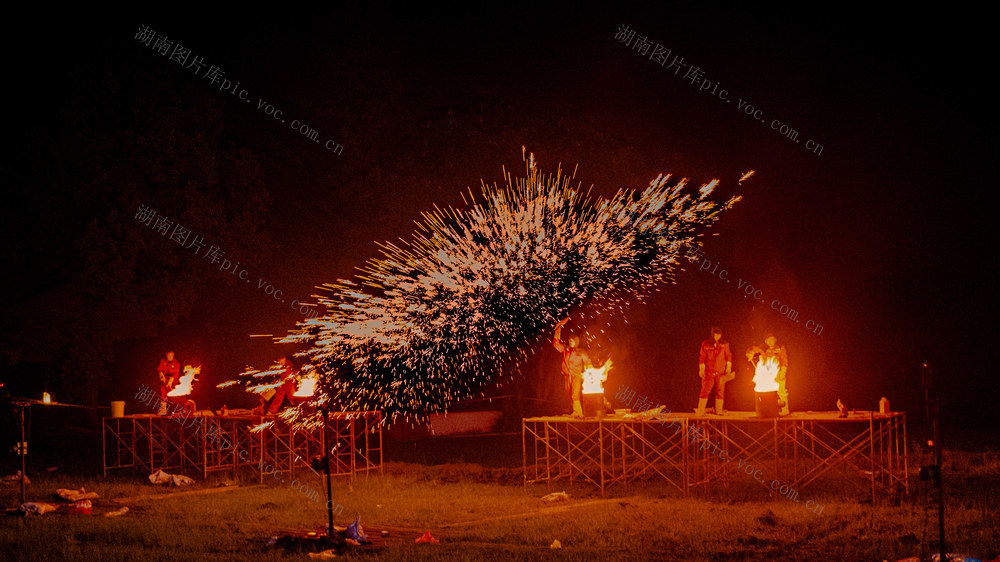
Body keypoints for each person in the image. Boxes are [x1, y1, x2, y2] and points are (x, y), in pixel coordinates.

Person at [553, 318, 593, 417]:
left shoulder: (581, 352)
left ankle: (578, 412)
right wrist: (558, 328)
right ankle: (575, 412)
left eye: (572, 341)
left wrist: (591, 375)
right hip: (567, 375)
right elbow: (556, 344)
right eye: (569, 341)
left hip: (576, 375)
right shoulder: (566, 350)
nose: (570, 342)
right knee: (570, 395)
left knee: (575, 394)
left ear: (576, 341)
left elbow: (588, 363)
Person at [696, 326, 733, 416]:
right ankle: (700, 410)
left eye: (719, 334)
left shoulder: (725, 344)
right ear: (712, 335)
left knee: (720, 391)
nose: (717, 336)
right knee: (705, 390)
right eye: (715, 334)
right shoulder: (705, 344)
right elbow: (702, 357)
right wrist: (701, 369)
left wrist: (728, 367)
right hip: (709, 372)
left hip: (721, 372)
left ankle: (719, 410)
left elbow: (728, 356)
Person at [762, 333, 790, 416]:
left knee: (782, 392)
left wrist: (783, 371)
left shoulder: (780, 348)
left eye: (772, 339)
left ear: (775, 340)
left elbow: (784, 360)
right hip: (769, 374)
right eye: (768, 340)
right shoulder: (764, 349)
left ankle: (785, 410)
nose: (770, 342)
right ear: (766, 342)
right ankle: (772, 410)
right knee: (770, 393)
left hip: (779, 372)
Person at [157, 351, 180, 416]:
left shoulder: (176, 363)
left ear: (173, 355)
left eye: (171, 355)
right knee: (163, 395)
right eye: (168, 355)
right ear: (166, 355)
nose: (170, 357)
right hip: (165, 381)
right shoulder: (163, 361)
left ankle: (176, 411)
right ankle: (163, 410)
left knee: (174, 397)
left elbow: (175, 374)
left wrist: (170, 382)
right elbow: (159, 369)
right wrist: (161, 375)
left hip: (173, 382)